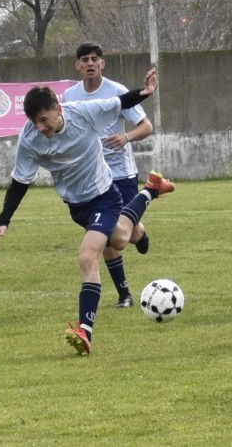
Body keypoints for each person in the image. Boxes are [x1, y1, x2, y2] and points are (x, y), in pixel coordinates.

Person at [0, 67, 174, 356]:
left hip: (104, 196)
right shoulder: (30, 139)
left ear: (57, 109)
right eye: (35, 123)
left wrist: (144, 93)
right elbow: (20, 180)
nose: (41, 128)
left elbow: (119, 102)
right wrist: (4, 220)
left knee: (88, 256)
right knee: (123, 238)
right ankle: (151, 191)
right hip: (76, 206)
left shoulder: (82, 112)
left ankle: (85, 332)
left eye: (45, 120)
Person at [63, 42, 154, 309]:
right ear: (78, 66)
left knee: (124, 236)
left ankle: (141, 230)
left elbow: (146, 126)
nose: (90, 63)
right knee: (103, 233)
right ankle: (124, 294)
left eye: (95, 59)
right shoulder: (70, 96)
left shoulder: (118, 92)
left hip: (120, 173)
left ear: (103, 63)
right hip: (90, 178)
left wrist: (125, 137)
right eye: (84, 59)